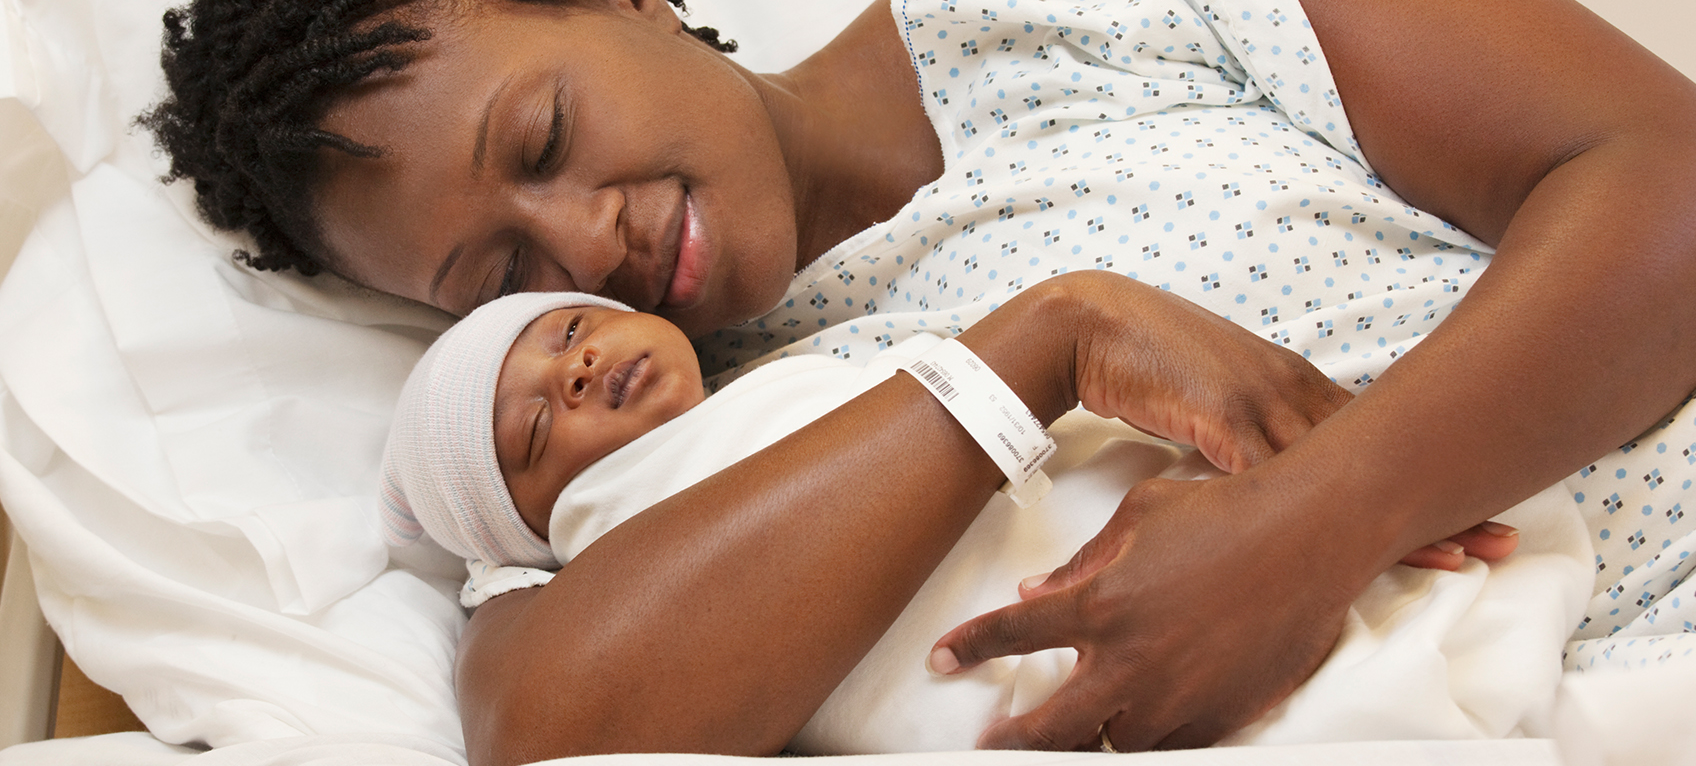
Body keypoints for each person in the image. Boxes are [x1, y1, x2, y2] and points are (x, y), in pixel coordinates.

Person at [140, 0, 1696, 762]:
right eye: (501, 273)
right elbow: (552, 733)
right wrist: (1044, 340)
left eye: (545, 139)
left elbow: (1663, 174)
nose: (584, 245)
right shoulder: (680, 445)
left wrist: (1311, 529)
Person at [375, 290, 1586, 754]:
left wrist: (1319, 509)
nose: (578, 370)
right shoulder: (603, 548)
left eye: (568, 331)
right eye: (533, 430)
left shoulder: (811, 373)